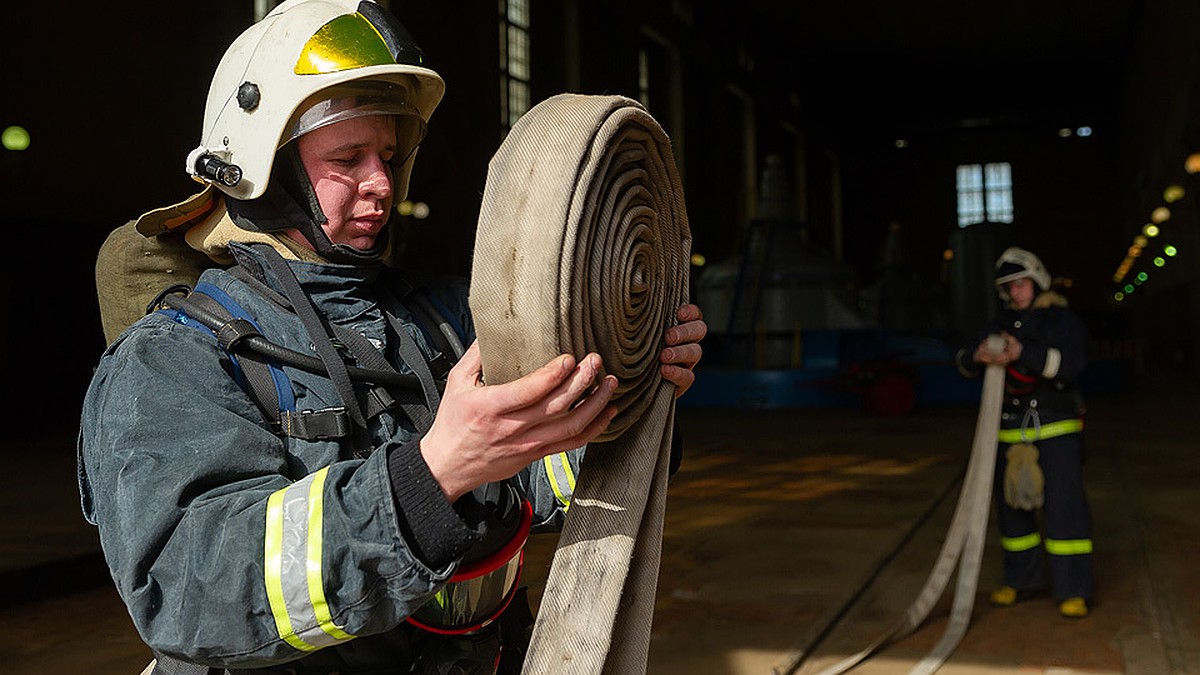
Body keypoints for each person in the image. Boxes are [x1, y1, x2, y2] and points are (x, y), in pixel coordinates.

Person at [77, 1, 707, 673]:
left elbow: (536, 477)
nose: (381, 184)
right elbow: (189, 591)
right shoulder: (172, 359)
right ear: (260, 168)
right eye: (347, 158)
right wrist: (435, 473)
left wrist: (630, 391)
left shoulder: (435, 319)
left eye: (386, 154)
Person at [955, 246, 1094, 618]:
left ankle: (1073, 589)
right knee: (1013, 513)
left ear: (1036, 280)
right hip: (1009, 432)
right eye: (1009, 287)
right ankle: (1022, 581)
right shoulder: (998, 323)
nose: (1015, 291)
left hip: (1056, 429)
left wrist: (1022, 353)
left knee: (1065, 512)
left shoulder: (1061, 322)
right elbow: (964, 360)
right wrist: (978, 355)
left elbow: (1070, 364)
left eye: (1020, 283)